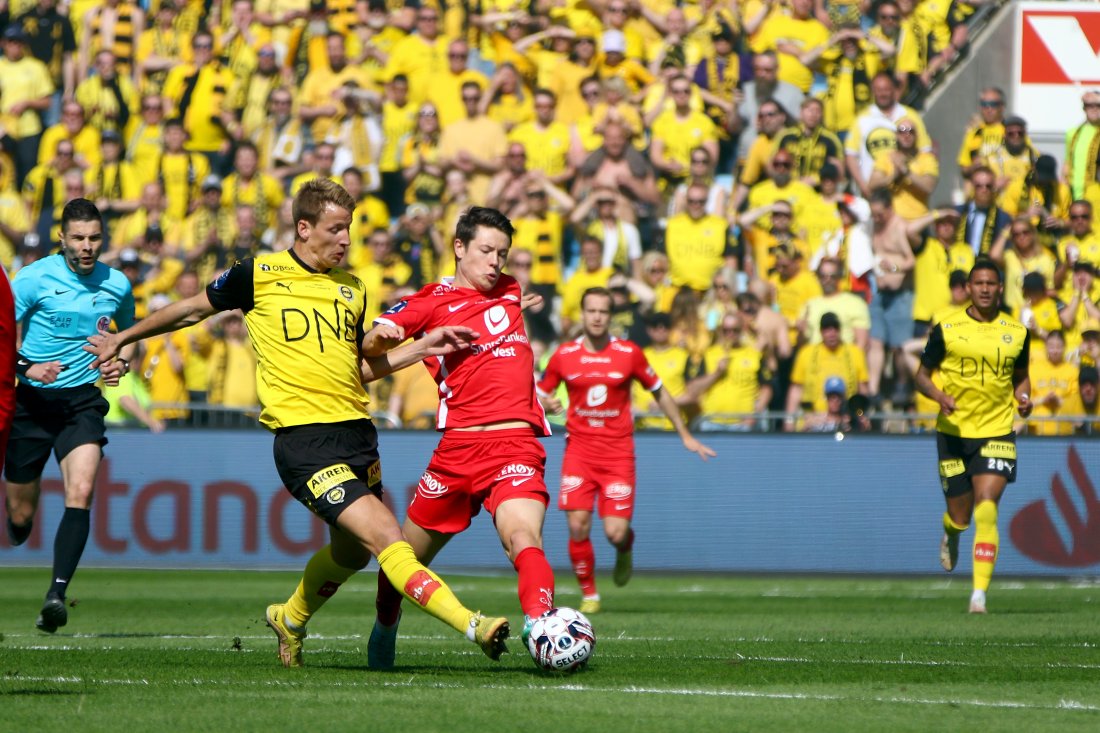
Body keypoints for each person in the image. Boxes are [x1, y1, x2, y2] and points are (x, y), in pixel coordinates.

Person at [85, 180, 510, 666]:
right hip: (304, 442)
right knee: (389, 539)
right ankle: (474, 626)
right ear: (304, 228)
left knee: (351, 555)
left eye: (348, 229)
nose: (346, 240)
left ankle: (289, 617)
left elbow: (358, 369)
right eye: (335, 229)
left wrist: (420, 347)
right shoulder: (259, 272)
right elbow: (189, 311)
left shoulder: (352, 289)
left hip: (357, 433)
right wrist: (124, 338)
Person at [362, 206, 559, 669]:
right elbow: (371, 349)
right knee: (400, 561)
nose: (496, 262)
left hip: (516, 443)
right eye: (487, 251)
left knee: (523, 536)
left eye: (503, 253)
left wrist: (532, 392)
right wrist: (396, 334)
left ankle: (543, 628)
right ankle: (384, 627)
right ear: (459, 248)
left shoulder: (510, 290)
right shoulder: (430, 303)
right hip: (458, 450)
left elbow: (505, 351)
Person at [537, 287, 714, 614]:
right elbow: (536, 393)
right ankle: (589, 594)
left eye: (603, 311)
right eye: (591, 311)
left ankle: (625, 548)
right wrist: (545, 402)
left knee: (615, 532)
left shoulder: (629, 353)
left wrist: (685, 434)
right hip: (579, 452)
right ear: (583, 313)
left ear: (610, 315)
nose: (597, 317)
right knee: (577, 526)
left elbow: (660, 392)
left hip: (618, 455)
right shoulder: (564, 355)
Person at [5, 198, 134, 633]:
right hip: (32, 404)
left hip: (81, 403)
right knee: (20, 519)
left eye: (94, 238)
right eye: (78, 238)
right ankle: (18, 523)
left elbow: (130, 334)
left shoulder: (116, 283)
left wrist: (122, 361)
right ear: (61, 238)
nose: (87, 246)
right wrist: (27, 367)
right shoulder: (32, 278)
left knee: (81, 488)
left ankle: (56, 595)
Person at [915, 258, 1033, 614]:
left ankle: (978, 596)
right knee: (962, 517)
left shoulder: (1017, 332)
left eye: (990, 283)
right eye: (978, 283)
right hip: (953, 432)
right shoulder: (946, 328)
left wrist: (1024, 399)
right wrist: (938, 396)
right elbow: (921, 376)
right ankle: (951, 532)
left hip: (997, 430)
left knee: (986, 511)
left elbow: (1021, 377)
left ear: (1000, 288)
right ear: (968, 288)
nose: (984, 289)